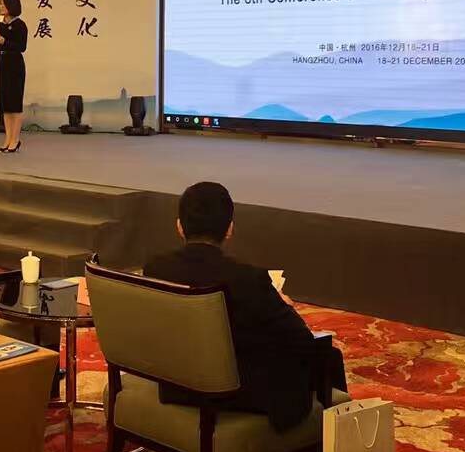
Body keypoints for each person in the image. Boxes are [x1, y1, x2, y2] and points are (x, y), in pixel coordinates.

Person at [143, 182, 347, 432]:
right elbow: (301, 339)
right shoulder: (248, 279)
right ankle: (330, 444)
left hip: (175, 385)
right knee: (327, 355)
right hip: (237, 392)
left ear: (179, 226)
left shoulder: (155, 268)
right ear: (229, 229)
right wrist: (284, 304)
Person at [0, 0, 27, 153]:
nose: (1, 7)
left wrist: (3, 40)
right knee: (5, 105)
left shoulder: (20, 25)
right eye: (0, 4)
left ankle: (15, 139)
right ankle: (7, 138)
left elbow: (22, 47)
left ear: (12, 5)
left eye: (3, 4)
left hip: (15, 64)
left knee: (14, 103)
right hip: (2, 63)